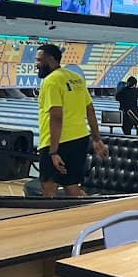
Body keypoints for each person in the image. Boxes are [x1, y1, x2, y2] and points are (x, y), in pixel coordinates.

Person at [35, 43, 108, 198]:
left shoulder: (50, 81)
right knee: (72, 187)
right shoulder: (76, 78)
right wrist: (96, 140)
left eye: (39, 60)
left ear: (52, 59)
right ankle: (90, 216)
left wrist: (53, 151)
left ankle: (52, 221)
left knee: (48, 188)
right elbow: (90, 110)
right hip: (80, 140)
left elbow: (56, 116)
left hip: (56, 142)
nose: (36, 64)